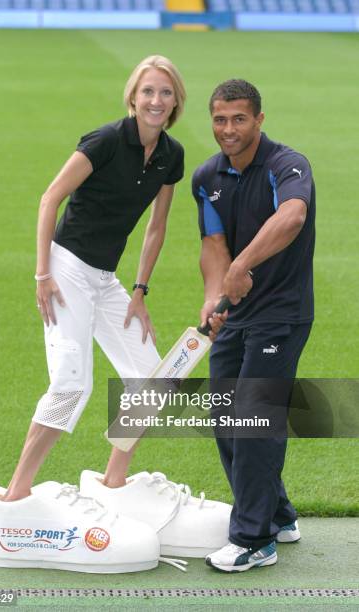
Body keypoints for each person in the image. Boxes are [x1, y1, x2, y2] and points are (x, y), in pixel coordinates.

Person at [0, 56, 230, 573]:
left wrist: (138, 289)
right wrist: (42, 274)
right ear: (132, 97)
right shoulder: (104, 141)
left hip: (106, 279)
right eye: (147, 92)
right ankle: (12, 503)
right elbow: (51, 198)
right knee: (71, 385)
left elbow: (156, 227)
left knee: (153, 380)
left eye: (165, 92)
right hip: (67, 267)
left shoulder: (171, 156)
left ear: (176, 101)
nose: (156, 100)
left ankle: (113, 484)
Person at [192, 79, 315, 572]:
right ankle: (279, 515)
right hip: (237, 316)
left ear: (259, 119)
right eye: (220, 119)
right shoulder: (207, 176)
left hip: (282, 315)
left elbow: (293, 216)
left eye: (239, 119)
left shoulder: (288, 165)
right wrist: (212, 295)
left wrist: (241, 267)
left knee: (253, 422)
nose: (229, 129)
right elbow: (212, 245)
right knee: (225, 417)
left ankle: (254, 538)